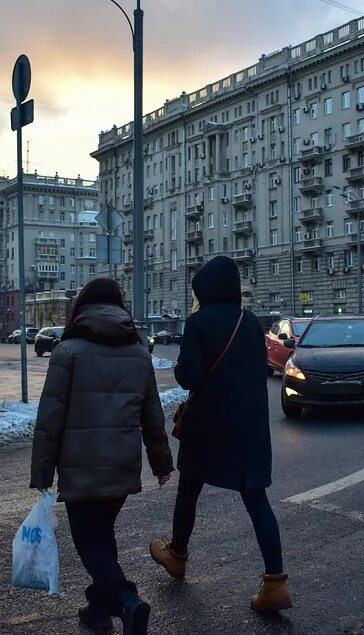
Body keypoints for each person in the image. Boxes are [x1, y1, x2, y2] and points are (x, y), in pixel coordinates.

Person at [30, 278, 173, 635]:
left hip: (80, 470)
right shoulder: (138, 352)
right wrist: (161, 463)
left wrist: (43, 472)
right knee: (101, 535)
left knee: (90, 542)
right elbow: (152, 413)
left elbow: (50, 417)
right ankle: (97, 609)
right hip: (123, 468)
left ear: (82, 307)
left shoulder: (68, 351)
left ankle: (128, 600)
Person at [149, 256, 292, 612]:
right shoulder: (251, 322)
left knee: (189, 490)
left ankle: (177, 555)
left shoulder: (199, 322)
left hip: (208, 425)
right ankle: (275, 583)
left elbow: (189, 376)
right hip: (250, 426)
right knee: (256, 498)